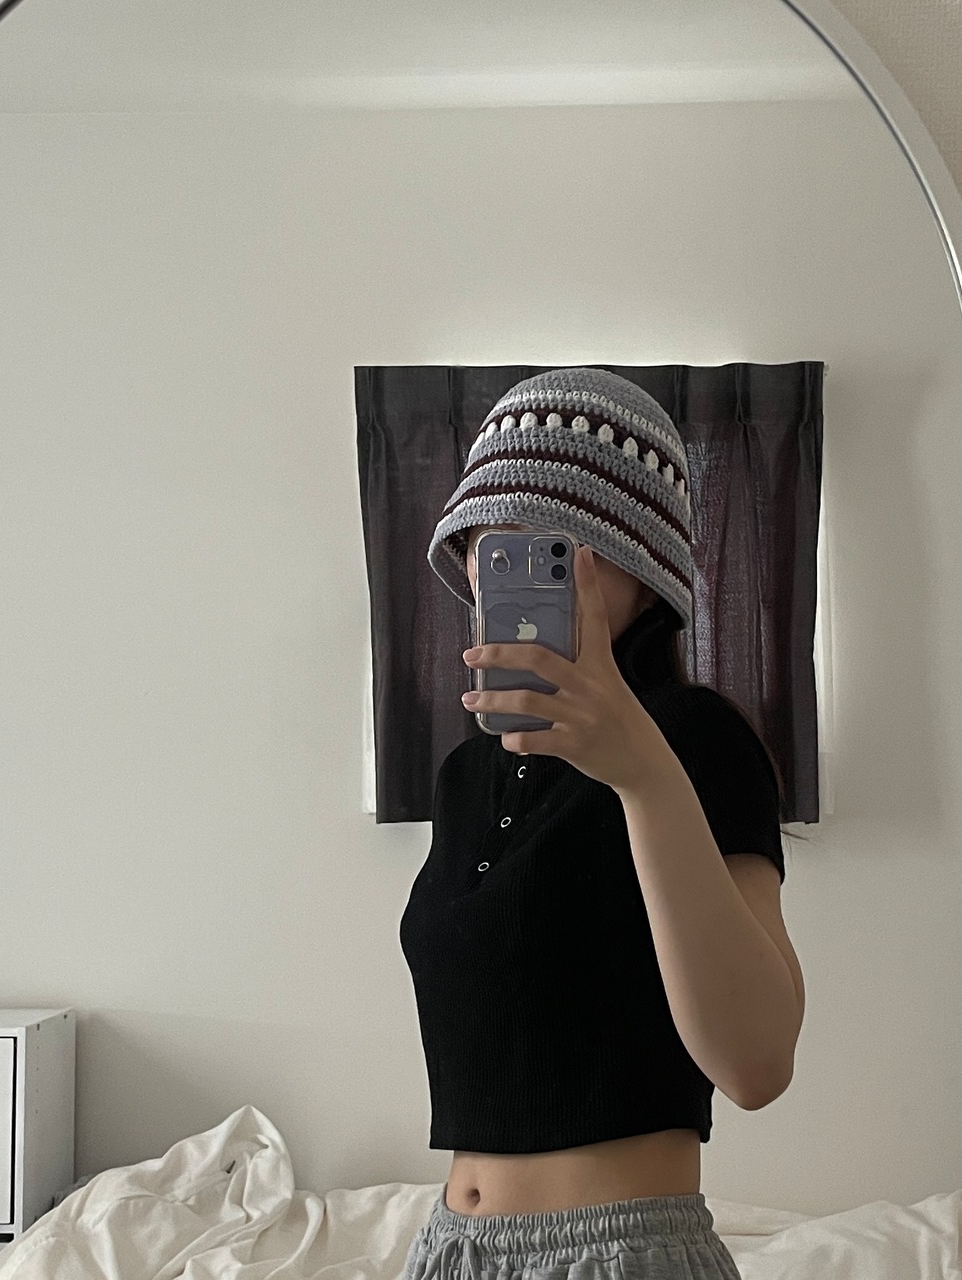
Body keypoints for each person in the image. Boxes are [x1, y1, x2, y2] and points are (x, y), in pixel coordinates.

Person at [398, 368, 805, 1280]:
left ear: (643, 566)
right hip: (451, 1252)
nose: (511, 571)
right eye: (487, 545)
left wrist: (644, 776)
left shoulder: (696, 742)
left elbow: (758, 1064)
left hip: (622, 1254)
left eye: (553, 549)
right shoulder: (464, 777)